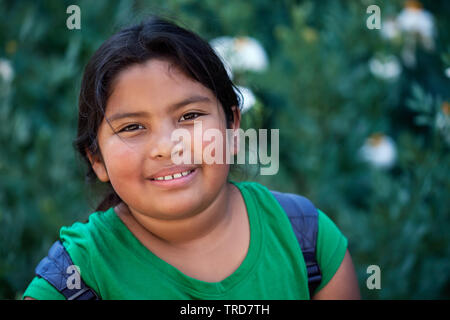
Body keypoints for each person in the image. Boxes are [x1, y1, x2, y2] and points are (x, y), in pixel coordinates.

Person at [23, 16, 360, 300]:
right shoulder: (76, 279)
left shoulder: (307, 241)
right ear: (96, 159)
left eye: (189, 116)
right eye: (132, 127)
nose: (169, 147)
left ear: (232, 127)